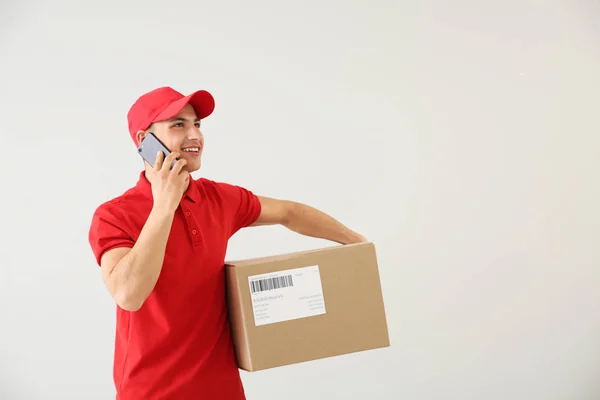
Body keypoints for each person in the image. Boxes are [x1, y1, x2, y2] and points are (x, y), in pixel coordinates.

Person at [87, 86, 366, 400]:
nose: (194, 134)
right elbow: (128, 294)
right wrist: (165, 205)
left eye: (197, 124)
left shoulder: (217, 199)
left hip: (223, 390)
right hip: (151, 392)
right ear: (143, 142)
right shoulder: (114, 215)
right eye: (178, 124)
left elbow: (289, 213)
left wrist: (358, 244)